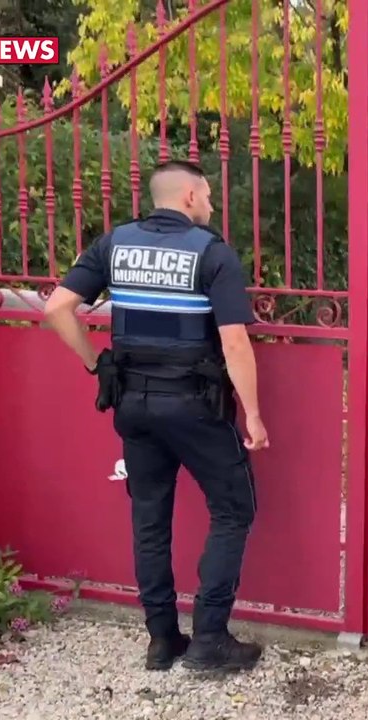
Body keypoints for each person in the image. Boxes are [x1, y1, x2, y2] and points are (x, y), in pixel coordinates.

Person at [44, 160, 269, 673]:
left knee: (149, 519)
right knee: (234, 510)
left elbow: (58, 308)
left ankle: (163, 640)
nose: (211, 206)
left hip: (133, 406)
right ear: (190, 195)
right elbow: (234, 339)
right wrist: (253, 414)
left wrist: (96, 364)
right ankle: (210, 638)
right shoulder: (211, 253)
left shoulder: (113, 244)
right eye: (208, 196)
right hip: (194, 406)